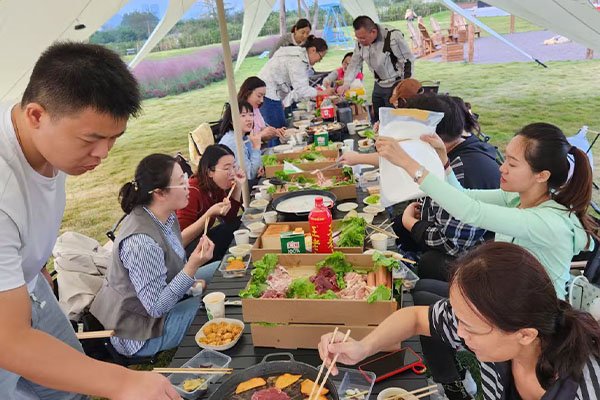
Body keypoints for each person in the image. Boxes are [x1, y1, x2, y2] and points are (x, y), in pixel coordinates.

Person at [0, 42, 180, 399]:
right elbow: (10, 340)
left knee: (70, 388)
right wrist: (124, 382)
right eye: (91, 139)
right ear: (36, 116)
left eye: (113, 139)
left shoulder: (48, 141)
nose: (102, 154)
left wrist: (33, 264)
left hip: (28, 287)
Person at [318, 241, 600, 400]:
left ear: (525, 334)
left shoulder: (586, 389)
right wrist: (363, 348)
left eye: (470, 327)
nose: (458, 332)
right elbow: (414, 318)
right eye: (458, 317)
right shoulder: (502, 338)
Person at [376, 121, 595, 299]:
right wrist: (443, 159)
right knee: (422, 289)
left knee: (423, 302)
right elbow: (464, 196)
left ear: (542, 175)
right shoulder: (517, 197)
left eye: (512, 164)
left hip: (528, 315)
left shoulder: (545, 221)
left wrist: (407, 163)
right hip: (506, 294)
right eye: (505, 159)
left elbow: (470, 211)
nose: (502, 168)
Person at [90, 154, 218, 358]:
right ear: (159, 193)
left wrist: (190, 282)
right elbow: (156, 307)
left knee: (222, 270)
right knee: (217, 305)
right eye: (181, 182)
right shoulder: (141, 243)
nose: (189, 186)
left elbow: (171, 259)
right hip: (140, 333)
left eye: (185, 177)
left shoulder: (164, 213)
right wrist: (192, 268)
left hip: (159, 306)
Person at [394, 95, 501, 282]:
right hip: (446, 230)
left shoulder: (464, 169)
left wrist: (411, 223)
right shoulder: (455, 147)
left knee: (431, 263)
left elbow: (453, 245)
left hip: (477, 256)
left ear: (427, 134)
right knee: (397, 226)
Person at [337, 16, 415, 122]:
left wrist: (403, 87)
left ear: (373, 32)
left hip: (395, 83)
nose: (360, 41)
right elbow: (354, 64)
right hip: (378, 84)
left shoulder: (392, 36)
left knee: (394, 120)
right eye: (357, 38)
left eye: (363, 38)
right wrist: (346, 84)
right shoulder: (360, 42)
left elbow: (407, 61)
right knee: (377, 118)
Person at [177, 144, 244, 261]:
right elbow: (180, 240)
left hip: (203, 240)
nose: (232, 172)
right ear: (210, 172)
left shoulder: (216, 186)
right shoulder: (192, 192)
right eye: (227, 168)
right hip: (187, 253)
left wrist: (238, 186)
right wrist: (208, 215)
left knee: (241, 223)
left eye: (234, 166)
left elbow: (229, 218)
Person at [258, 35, 335, 129]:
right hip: (268, 93)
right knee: (276, 129)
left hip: (272, 92)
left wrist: (283, 100)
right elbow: (301, 89)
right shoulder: (297, 59)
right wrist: (323, 92)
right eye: (320, 57)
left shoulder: (299, 55)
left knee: (280, 126)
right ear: (313, 50)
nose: (319, 61)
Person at [218, 100, 263, 182]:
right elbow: (250, 174)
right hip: (237, 186)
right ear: (232, 121)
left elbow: (254, 167)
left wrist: (260, 167)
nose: (249, 119)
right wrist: (256, 147)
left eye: (251, 115)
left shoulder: (243, 137)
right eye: (243, 115)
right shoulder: (233, 142)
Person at [237, 76, 285, 147]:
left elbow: (262, 128)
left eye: (263, 96)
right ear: (247, 93)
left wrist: (275, 132)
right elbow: (242, 142)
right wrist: (261, 135)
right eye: (259, 96)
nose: (262, 100)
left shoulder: (255, 109)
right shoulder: (238, 112)